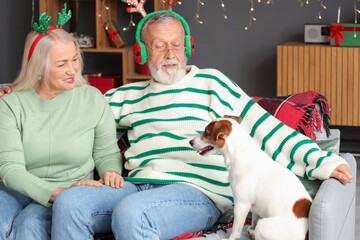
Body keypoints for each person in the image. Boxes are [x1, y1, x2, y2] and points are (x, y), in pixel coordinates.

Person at [1, 10, 352, 240]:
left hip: (196, 192)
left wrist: (323, 162)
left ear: (188, 47)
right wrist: (18, 91)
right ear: (142, 52)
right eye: (159, 46)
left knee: (131, 214)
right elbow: (67, 108)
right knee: (71, 203)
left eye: (176, 44)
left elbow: (266, 128)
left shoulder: (213, 83)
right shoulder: (122, 97)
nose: (170, 53)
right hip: (136, 185)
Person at [0, 4, 123, 240]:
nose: (72, 70)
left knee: (30, 225)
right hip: (18, 189)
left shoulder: (92, 98)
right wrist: (56, 193)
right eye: (61, 64)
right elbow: (10, 169)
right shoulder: (10, 104)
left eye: (75, 60)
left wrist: (110, 171)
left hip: (75, 189)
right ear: (39, 66)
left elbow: (106, 152)